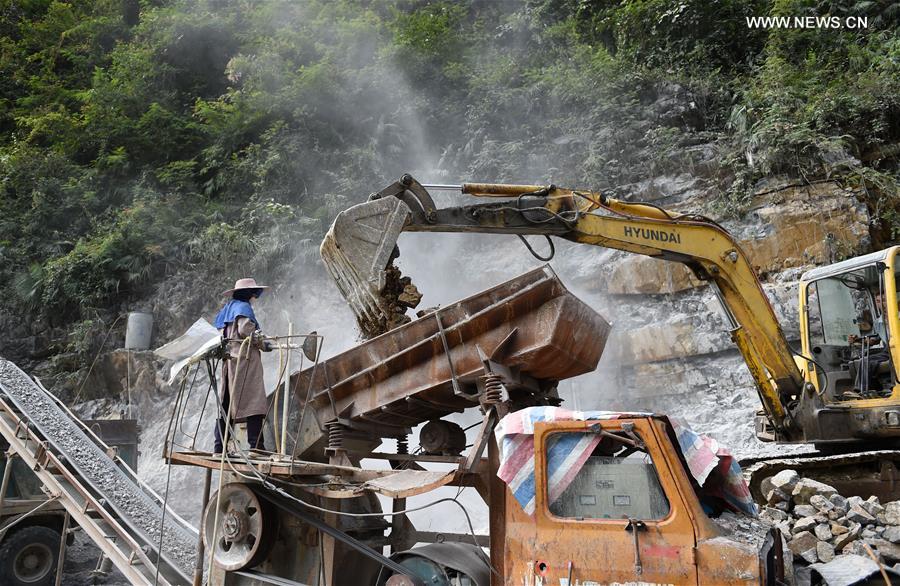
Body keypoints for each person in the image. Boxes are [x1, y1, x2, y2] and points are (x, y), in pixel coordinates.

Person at [213, 277, 272, 454]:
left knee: (226, 404)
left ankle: (219, 446)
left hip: (230, 362)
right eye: (253, 293)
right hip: (245, 361)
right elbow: (247, 332)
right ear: (249, 293)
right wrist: (264, 343)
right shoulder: (243, 308)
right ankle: (256, 446)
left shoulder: (227, 310)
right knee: (254, 401)